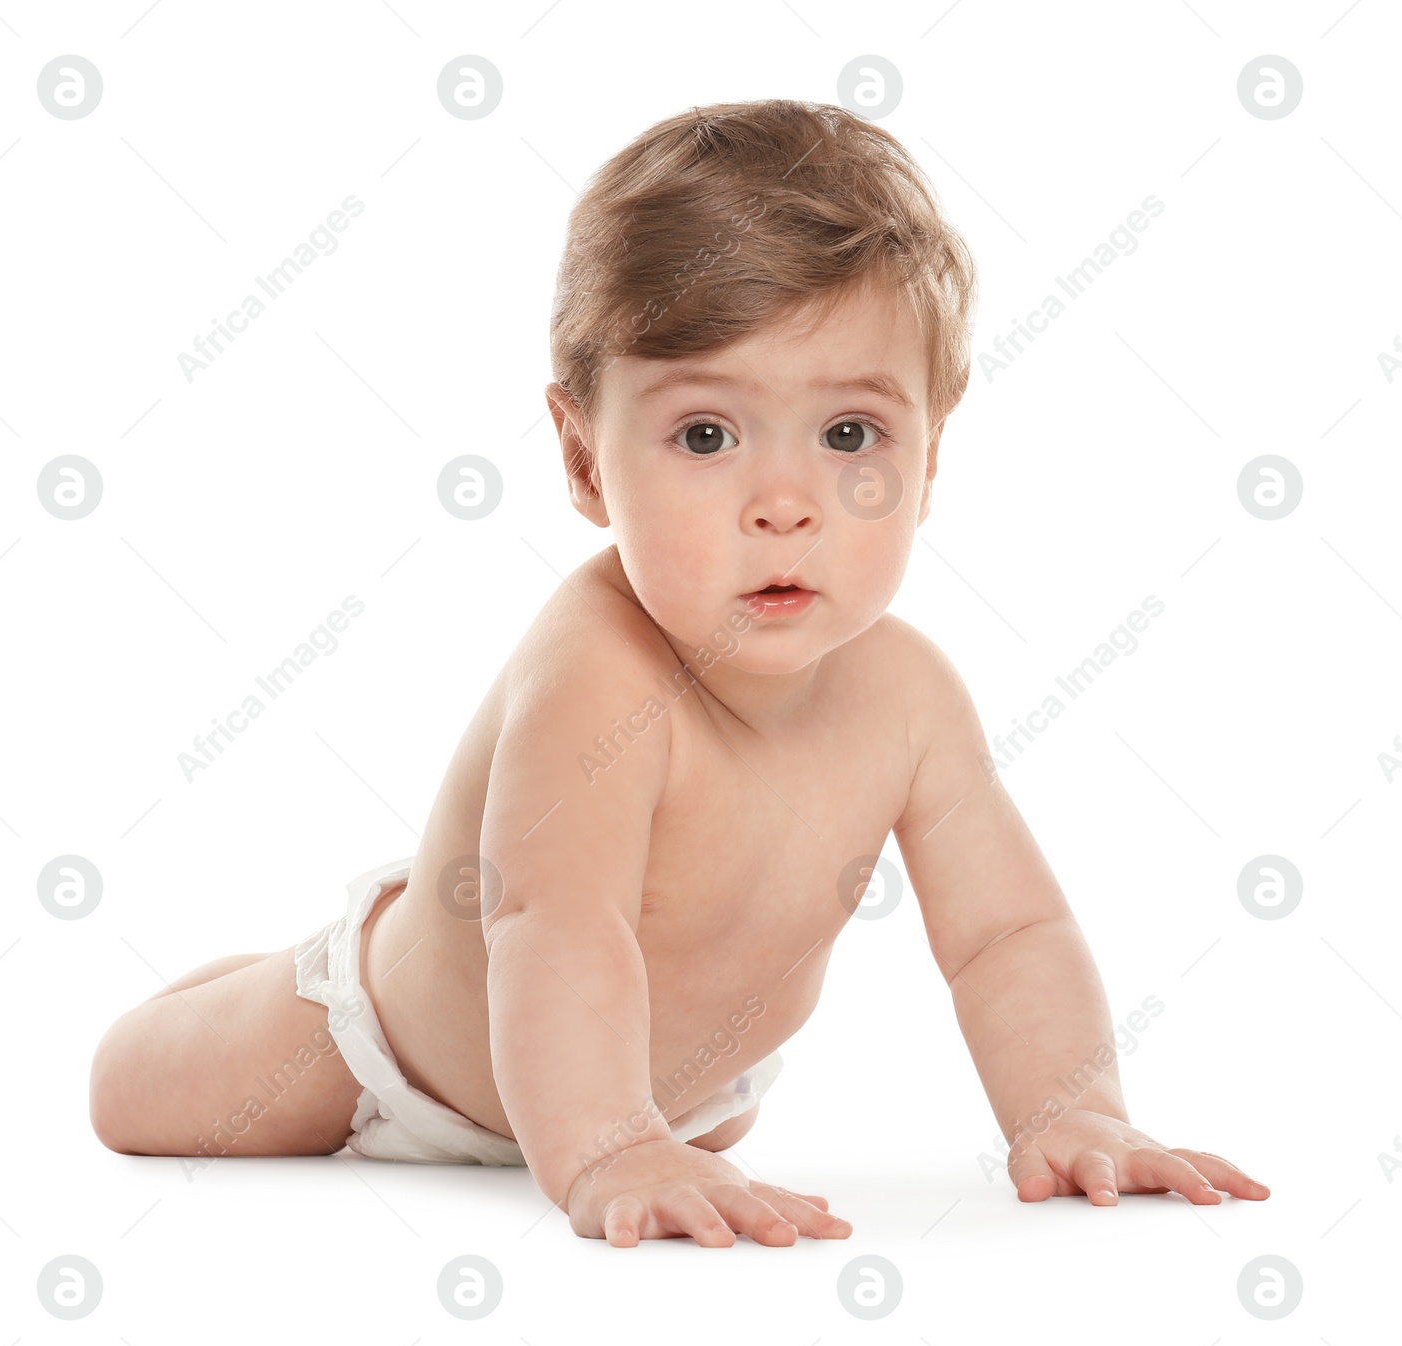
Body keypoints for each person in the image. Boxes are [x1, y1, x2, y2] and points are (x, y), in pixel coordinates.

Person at [89, 98, 1269, 1247]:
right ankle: (267, 977)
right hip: (407, 1057)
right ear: (583, 458)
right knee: (139, 1094)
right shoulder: (599, 672)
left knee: (692, 1098)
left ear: (929, 456)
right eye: (706, 435)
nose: (785, 504)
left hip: (675, 1091)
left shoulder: (908, 697)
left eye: (850, 435)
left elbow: (1005, 932)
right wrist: (606, 1150)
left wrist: (1075, 1110)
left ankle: (641, 1110)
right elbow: (558, 926)